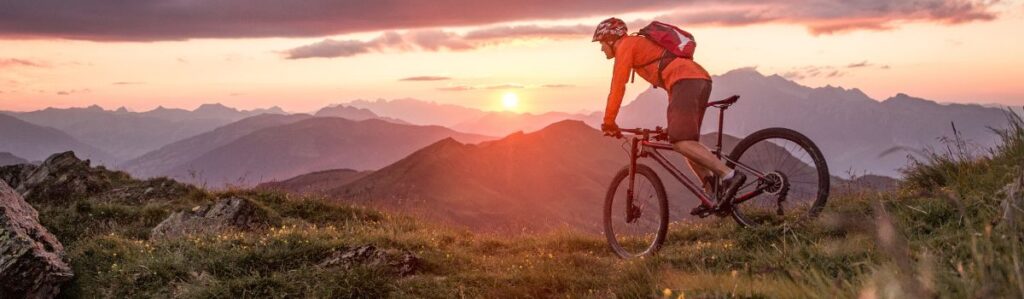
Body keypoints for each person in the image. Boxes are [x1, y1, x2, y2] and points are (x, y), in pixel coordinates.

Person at [593, 17, 745, 210]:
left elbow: (617, 86)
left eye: (601, 43)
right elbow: (672, 83)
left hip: (686, 81)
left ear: (610, 39)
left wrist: (608, 122)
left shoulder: (626, 45)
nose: (601, 49)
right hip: (698, 80)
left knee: (681, 142)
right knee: (687, 143)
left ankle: (729, 176)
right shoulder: (639, 44)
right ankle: (714, 195)